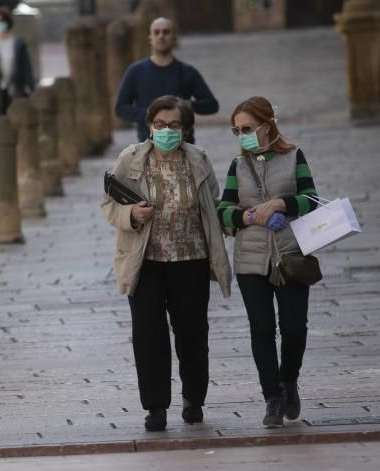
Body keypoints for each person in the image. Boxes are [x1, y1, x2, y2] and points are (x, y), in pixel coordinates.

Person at [102, 95, 232, 432]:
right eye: (159, 125)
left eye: (174, 125)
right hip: (144, 261)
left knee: (192, 334)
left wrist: (233, 221)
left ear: (185, 128)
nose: (166, 131)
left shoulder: (198, 160)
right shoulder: (130, 159)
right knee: (148, 336)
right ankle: (156, 407)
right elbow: (108, 204)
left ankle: (194, 398)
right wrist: (131, 213)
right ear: (149, 125)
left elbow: (213, 203)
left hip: (191, 259)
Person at [217, 96, 320, 428]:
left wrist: (280, 203)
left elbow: (312, 199)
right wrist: (249, 216)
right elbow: (223, 211)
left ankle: (289, 380)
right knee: (261, 330)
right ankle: (272, 398)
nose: (241, 135)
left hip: (290, 255)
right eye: (236, 130)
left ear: (266, 125)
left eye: (246, 128)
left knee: (294, 329)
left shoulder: (293, 157)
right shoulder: (237, 166)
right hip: (251, 260)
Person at [114, 17, 218, 144]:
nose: (161, 36)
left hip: (183, 145)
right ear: (150, 38)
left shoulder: (187, 71)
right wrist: (152, 114)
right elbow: (121, 108)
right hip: (148, 145)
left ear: (174, 37)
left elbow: (212, 105)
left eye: (166, 32)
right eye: (156, 32)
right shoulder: (135, 71)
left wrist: (189, 105)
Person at [0, 5, 35, 119]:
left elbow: (26, 68)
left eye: (1, 21)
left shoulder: (18, 44)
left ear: (7, 23)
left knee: (18, 122)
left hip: (16, 90)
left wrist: (33, 89)